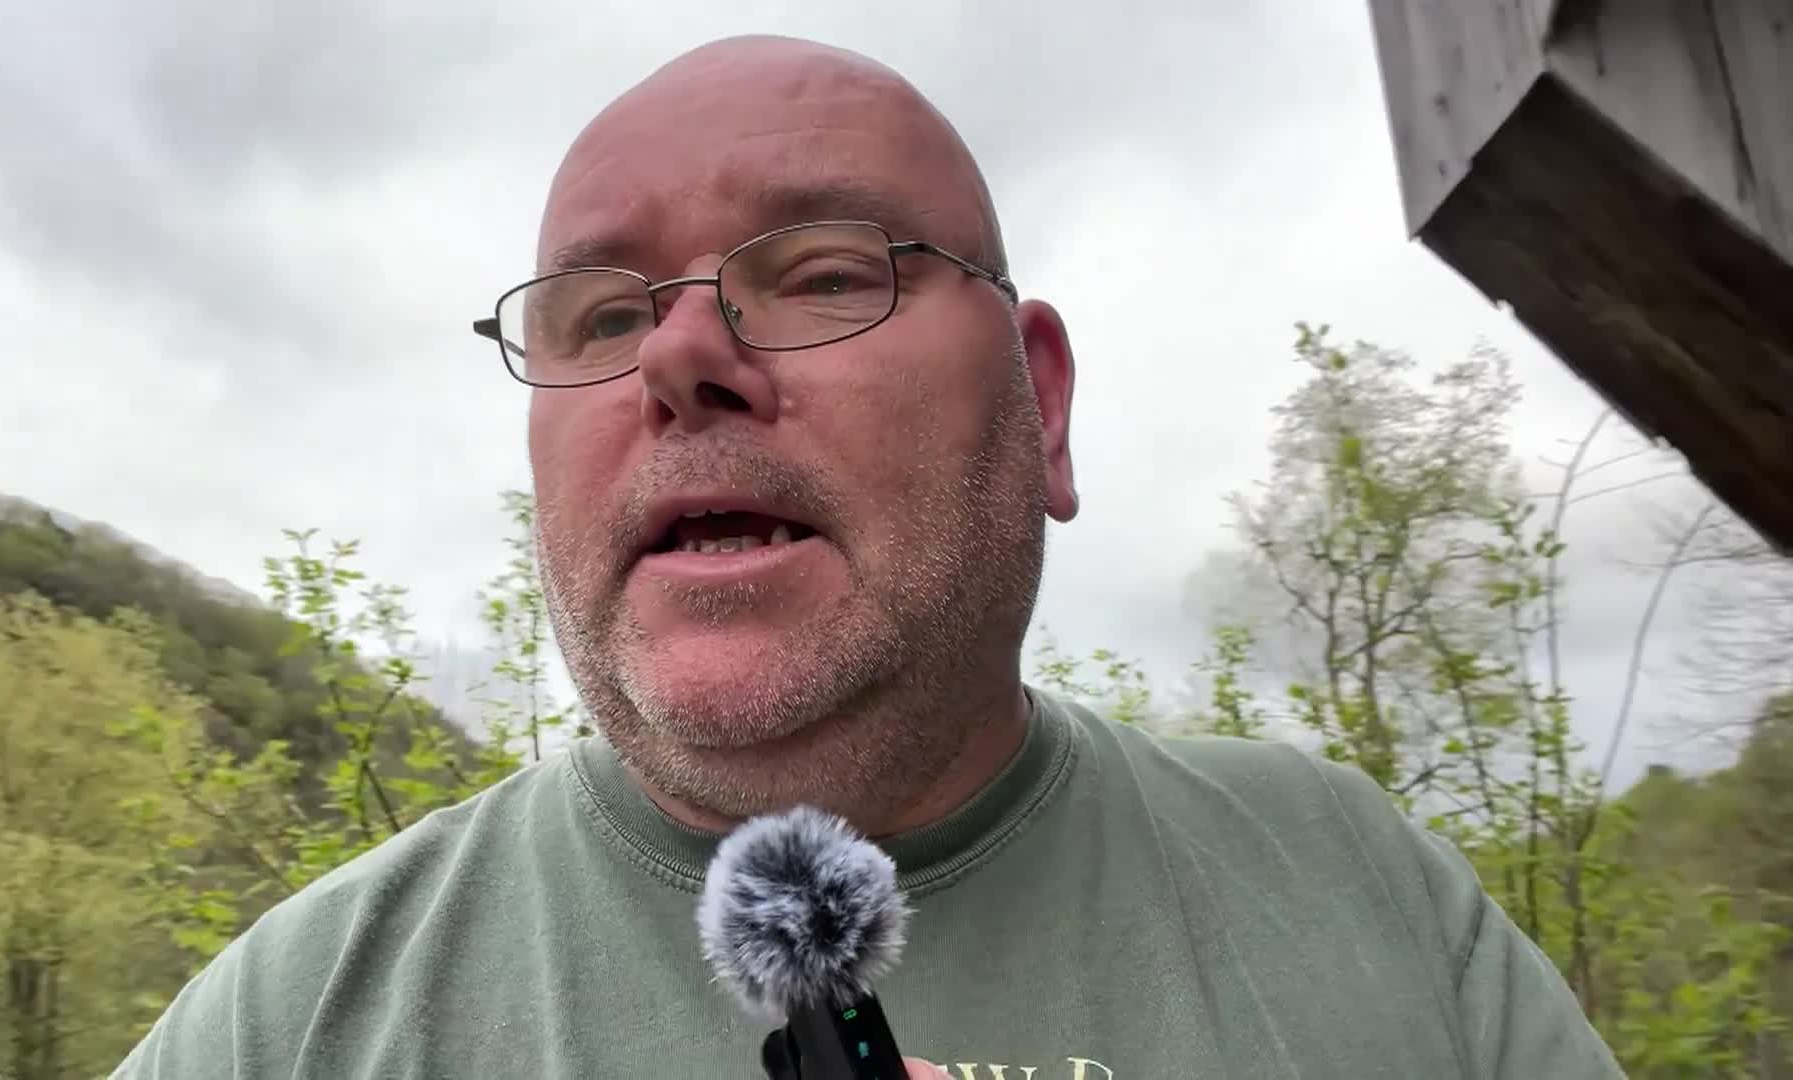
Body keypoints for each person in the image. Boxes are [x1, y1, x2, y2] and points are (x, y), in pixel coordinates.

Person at [113, 34, 1625, 1079]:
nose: (683, 356)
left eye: (825, 273)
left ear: (1039, 404)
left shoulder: (1368, 898)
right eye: (605, 317)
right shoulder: (292, 1023)